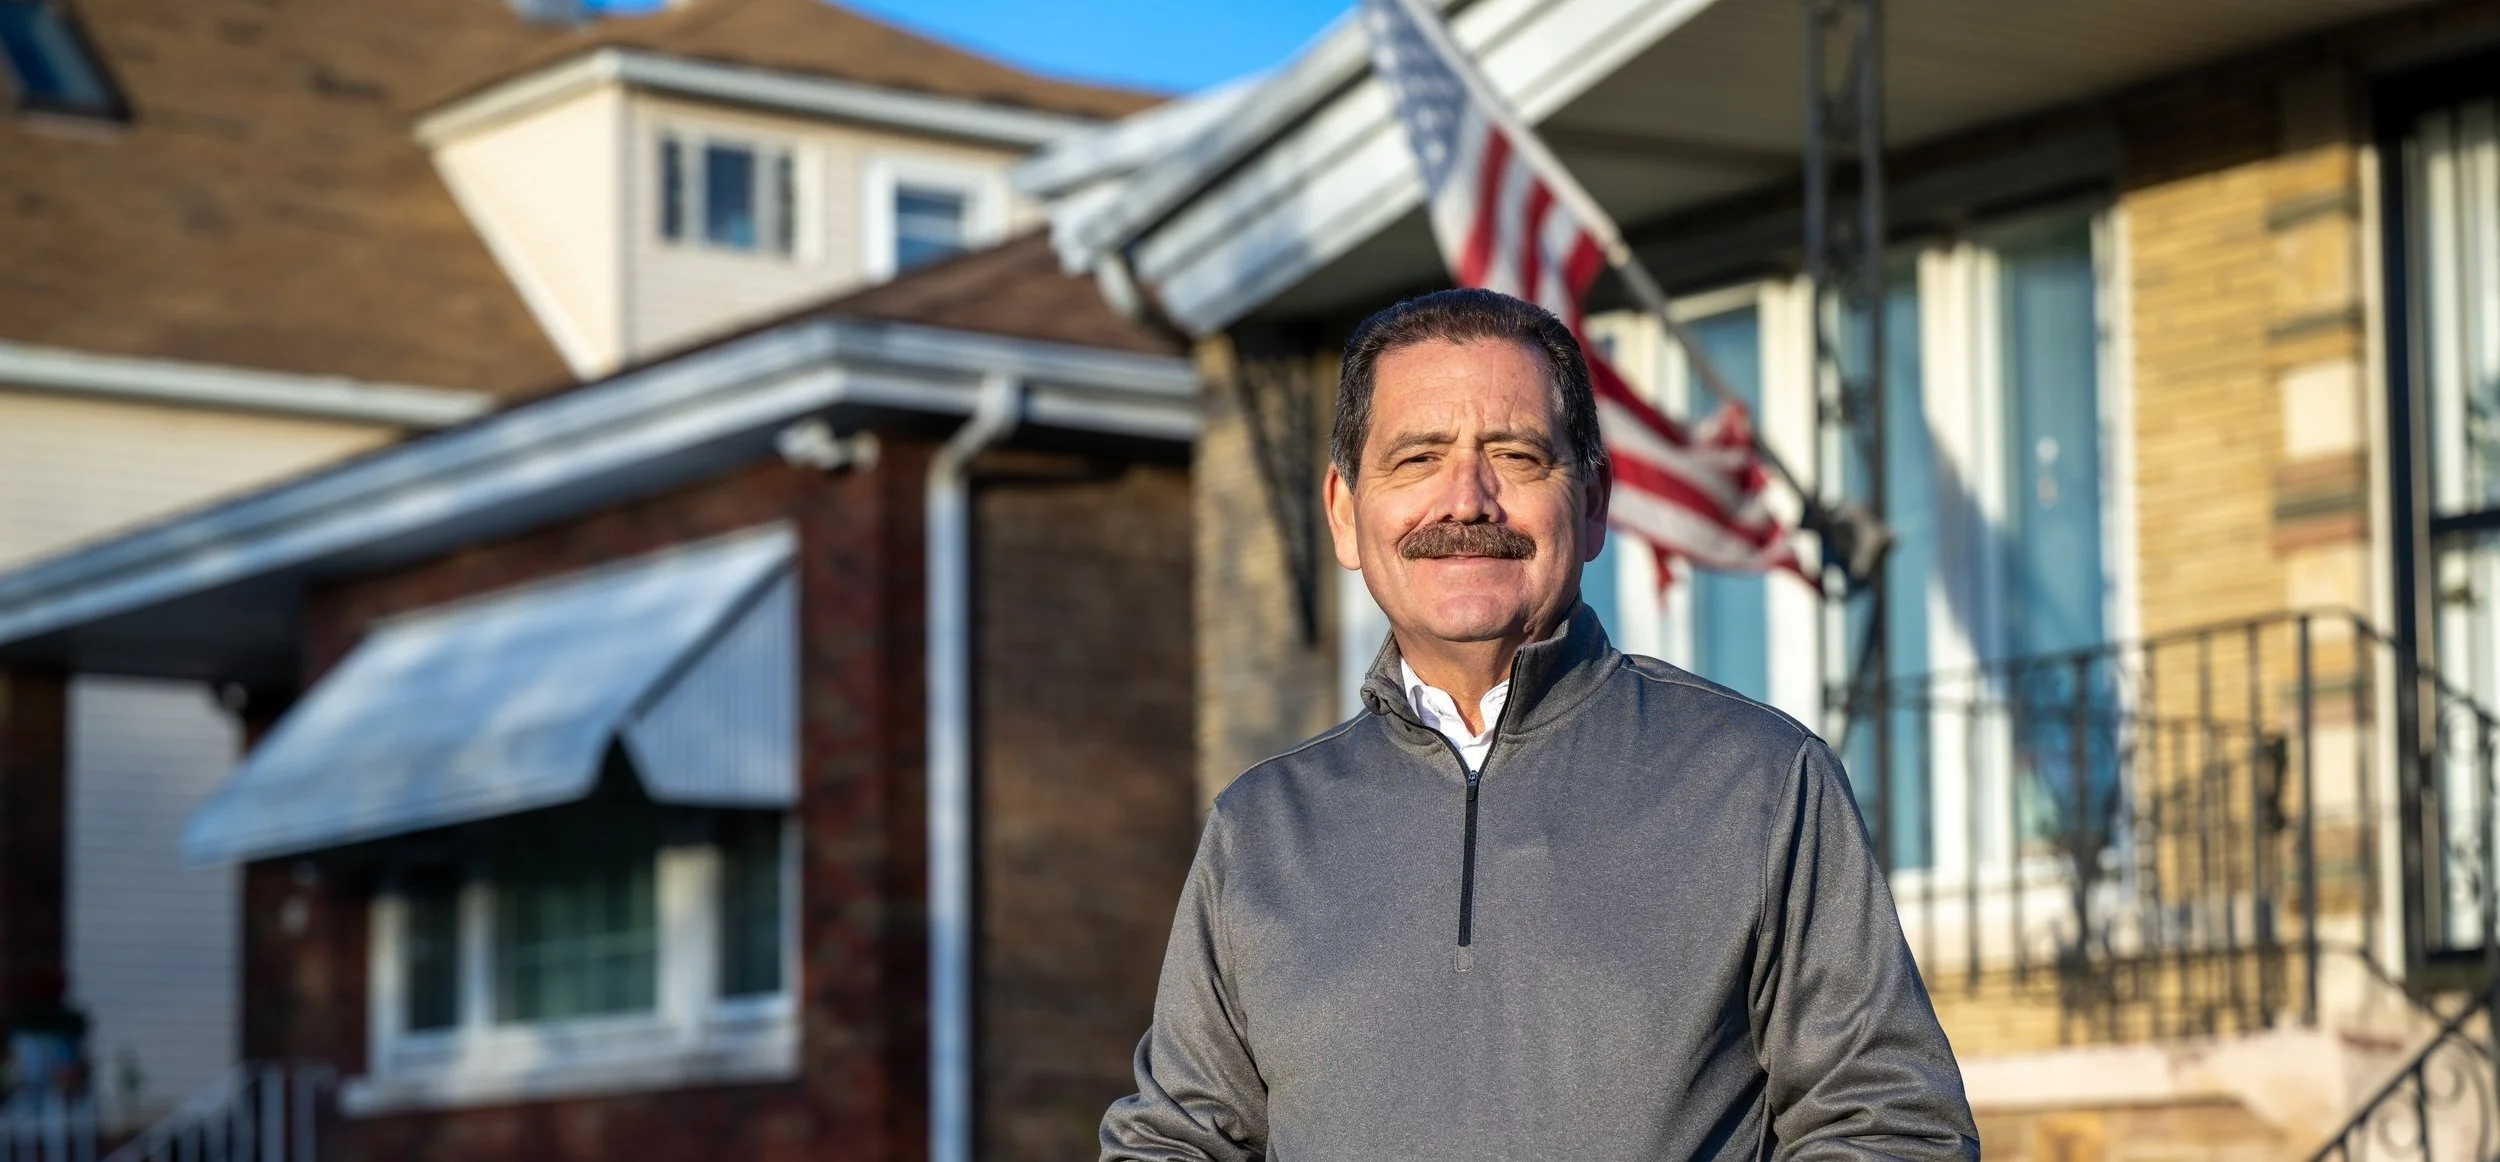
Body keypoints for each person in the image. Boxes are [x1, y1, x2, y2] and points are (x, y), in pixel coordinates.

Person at [1100, 288, 1977, 1161]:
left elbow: (1891, 1130)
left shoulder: (1762, 783)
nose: (1466, 501)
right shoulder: (1260, 830)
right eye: (1417, 458)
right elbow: (1174, 1144)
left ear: (1592, 504)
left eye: (1516, 456)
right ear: (1344, 512)